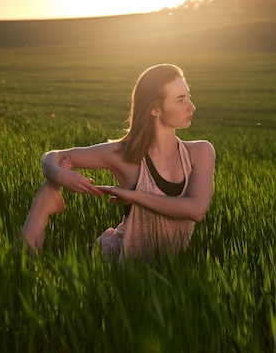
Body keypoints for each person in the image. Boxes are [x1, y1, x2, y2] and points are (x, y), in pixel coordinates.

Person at [21, 64, 215, 262]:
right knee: (27, 267)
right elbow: (53, 157)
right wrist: (61, 176)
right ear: (155, 109)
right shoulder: (123, 154)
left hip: (160, 274)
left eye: (188, 96)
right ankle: (44, 201)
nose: (192, 106)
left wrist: (133, 196)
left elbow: (196, 210)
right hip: (111, 262)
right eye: (181, 100)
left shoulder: (200, 152)